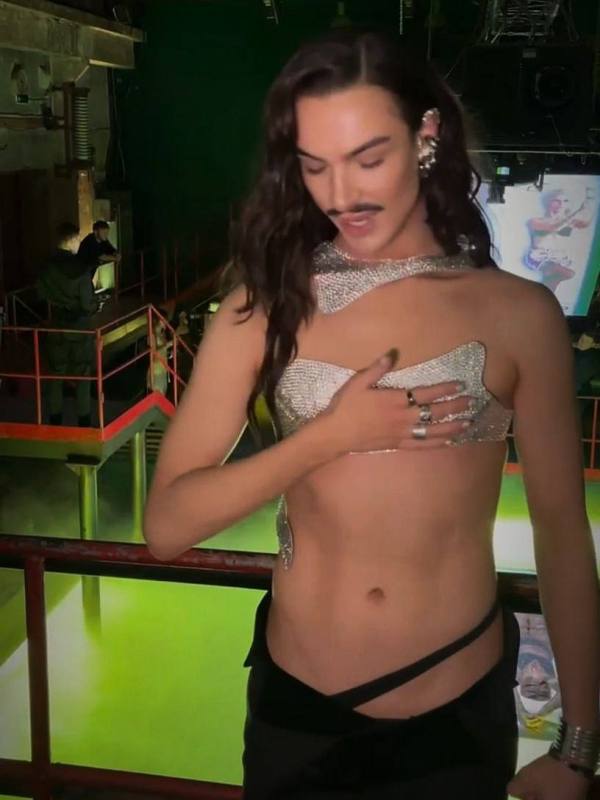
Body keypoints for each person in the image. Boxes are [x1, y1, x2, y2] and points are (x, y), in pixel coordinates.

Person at [143, 30, 600, 800]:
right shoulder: (263, 308)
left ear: (426, 135)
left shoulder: (519, 314)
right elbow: (166, 527)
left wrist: (579, 746)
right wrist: (329, 437)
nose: (341, 194)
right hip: (297, 712)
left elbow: (562, 532)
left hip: (455, 713)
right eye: (315, 164)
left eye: (367, 157)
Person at [37, 222, 98, 426]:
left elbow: (40, 293)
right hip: (79, 328)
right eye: (78, 239)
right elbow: (87, 304)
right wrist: (94, 305)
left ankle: (55, 420)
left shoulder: (47, 267)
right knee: (83, 375)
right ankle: (84, 421)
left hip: (56, 326)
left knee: (56, 375)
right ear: (71, 240)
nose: (79, 242)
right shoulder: (81, 268)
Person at [525, 188, 595, 293]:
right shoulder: (536, 221)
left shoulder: (569, 222)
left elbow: (586, 223)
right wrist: (576, 213)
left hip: (557, 259)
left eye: (565, 201)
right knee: (566, 273)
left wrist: (591, 200)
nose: (561, 204)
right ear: (549, 202)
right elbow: (553, 227)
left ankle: (542, 297)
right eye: (557, 201)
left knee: (551, 285)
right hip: (538, 258)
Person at [78, 219, 120, 289]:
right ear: (95, 232)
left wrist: (116, 253)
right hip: (81, 273)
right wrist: (115, 258)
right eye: (104, 233)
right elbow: (101, 256)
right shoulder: (90, 240)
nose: (106, 235)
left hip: (88, 273)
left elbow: (110, 249)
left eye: (107, 233)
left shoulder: (103, 240)